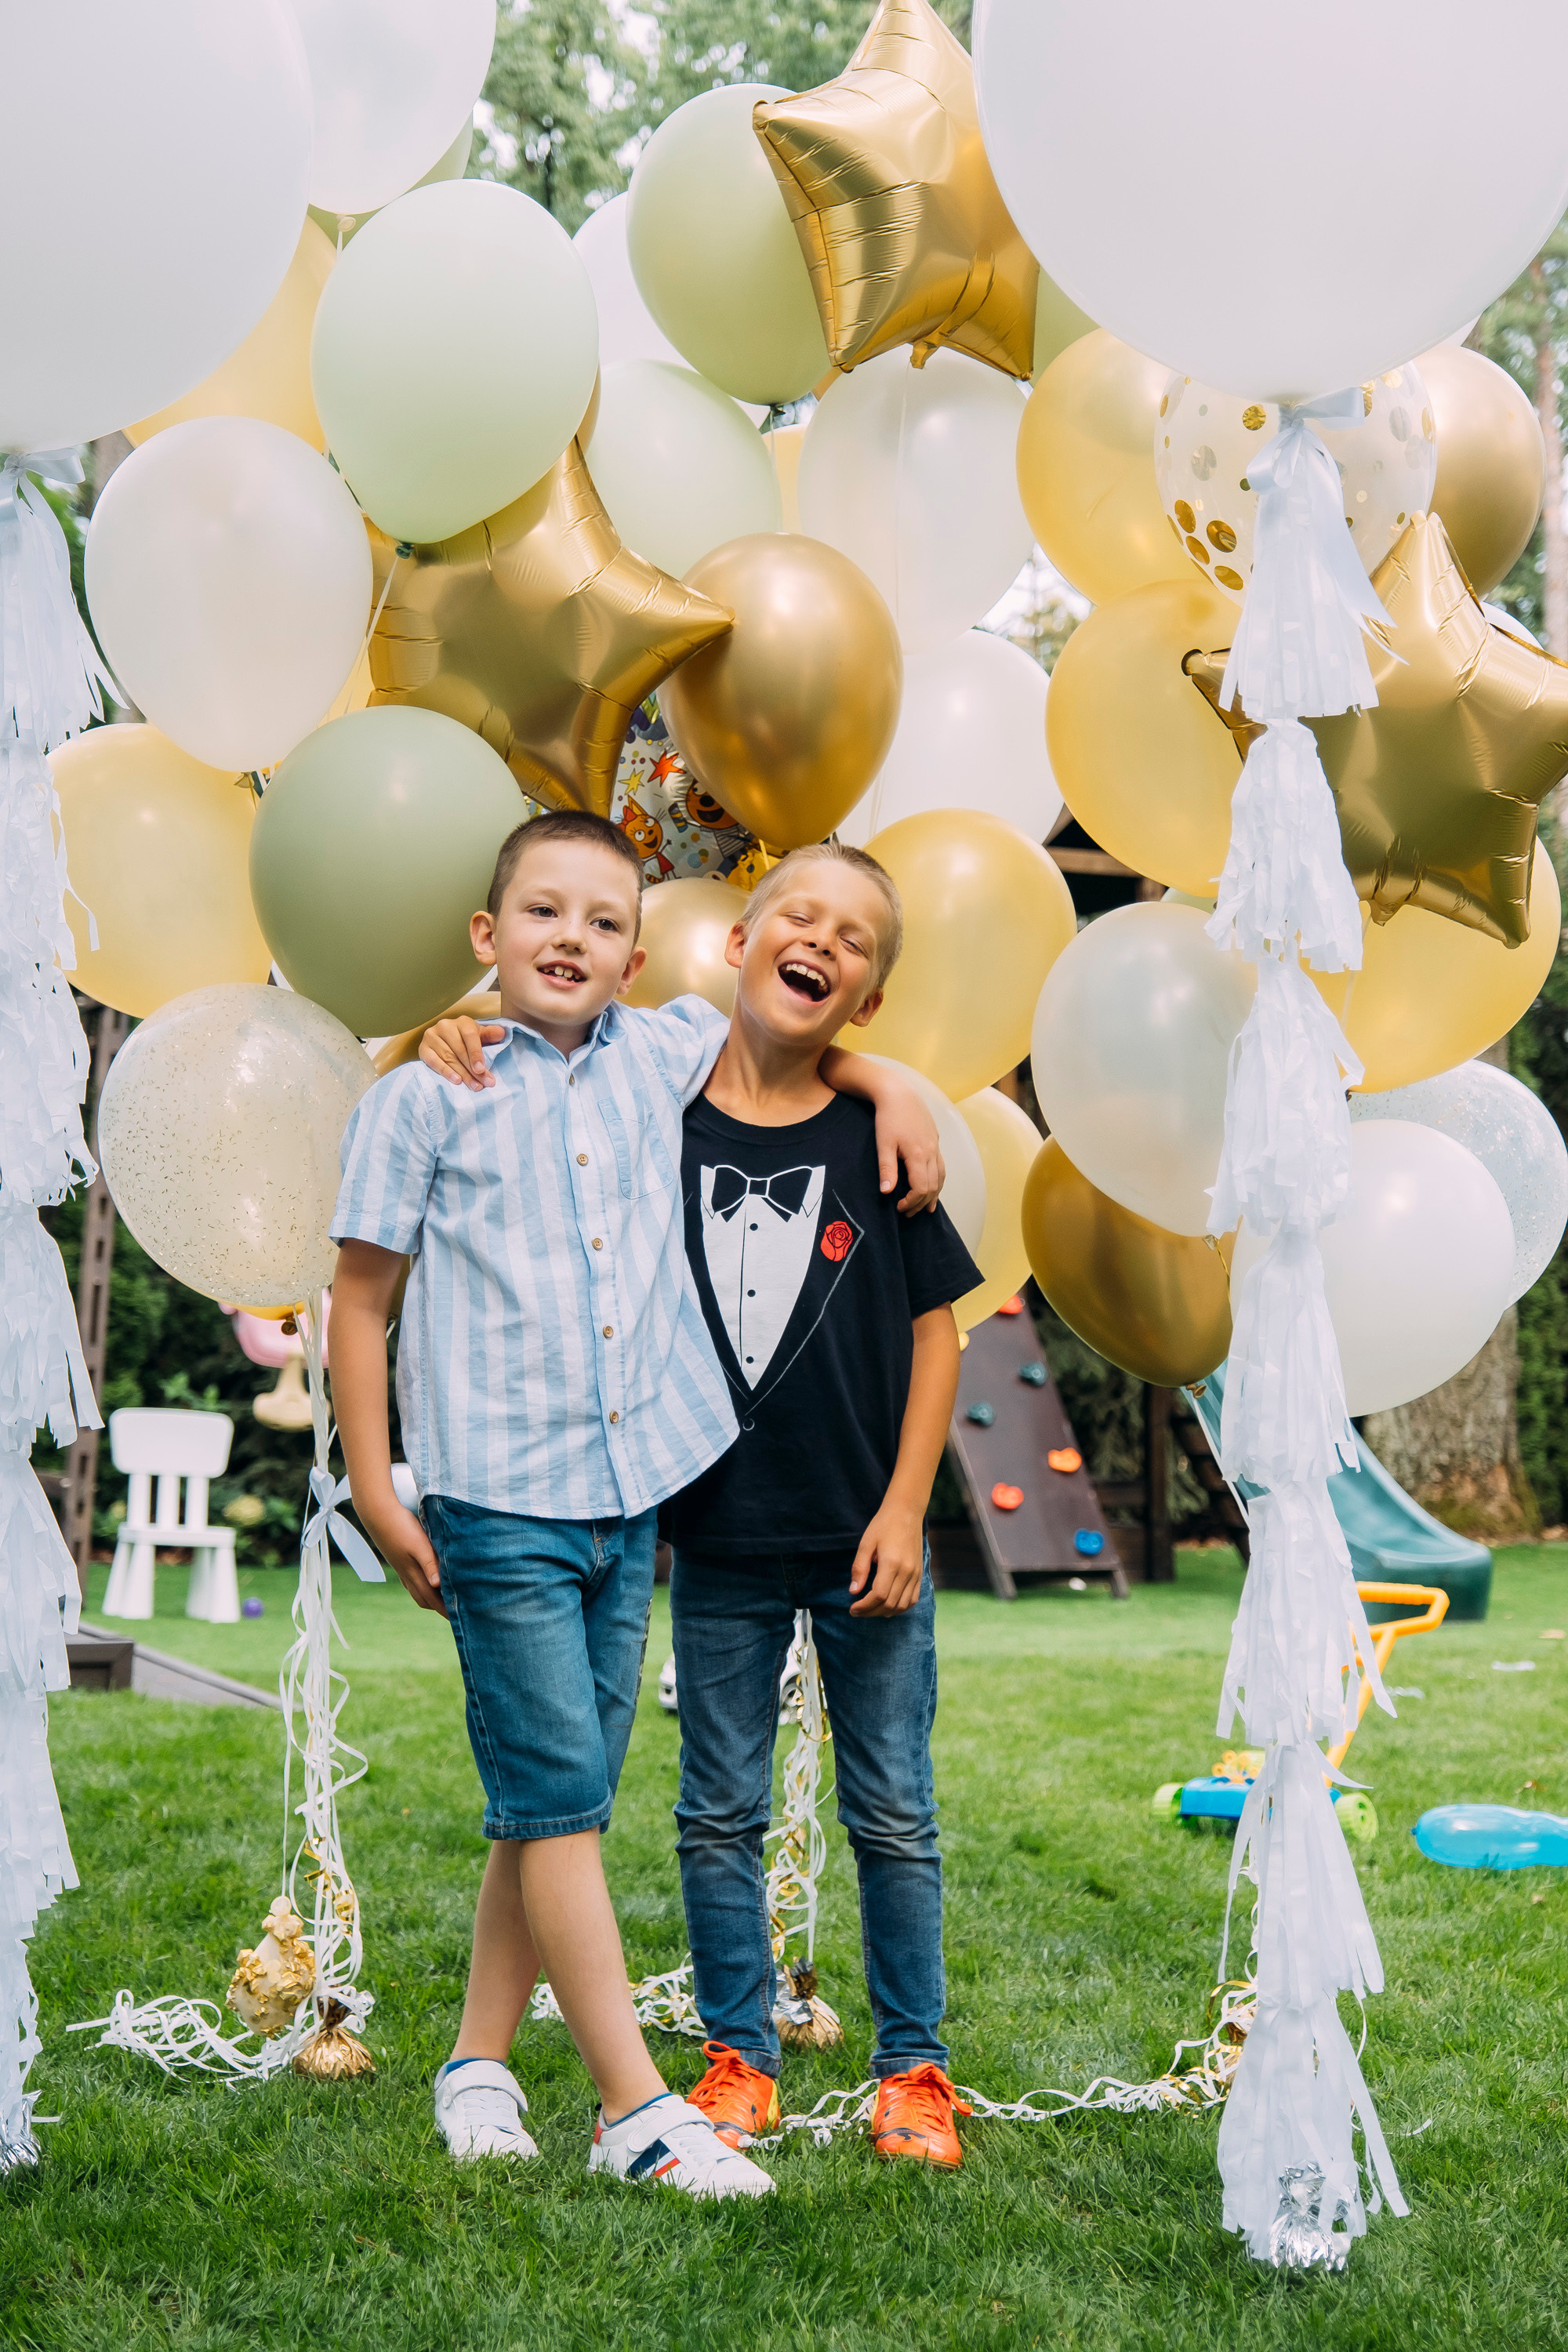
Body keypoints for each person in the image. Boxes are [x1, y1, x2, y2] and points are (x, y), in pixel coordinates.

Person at [331, 810, 941, 2202]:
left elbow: (784, 1043)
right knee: (558, 1804)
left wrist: (885, 1077)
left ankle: (478, 2064)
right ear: (489, 938)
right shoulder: (428, 1093)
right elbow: (361, 1299)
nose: (575, 940)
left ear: (637, 955)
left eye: (606, 923)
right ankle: (634, 2109)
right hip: (496, 1495)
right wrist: (375, 1480)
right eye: (544, 914)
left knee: (558, 1791)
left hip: (628, 1499)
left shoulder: (662, 1053)